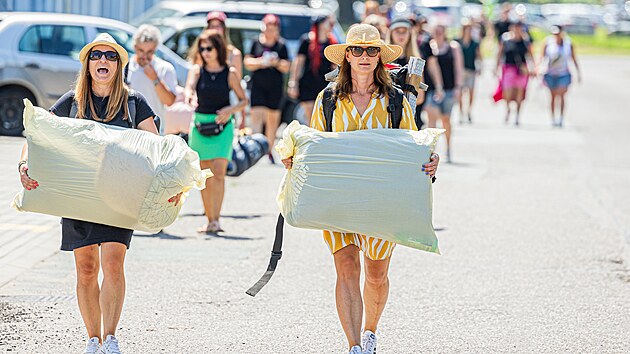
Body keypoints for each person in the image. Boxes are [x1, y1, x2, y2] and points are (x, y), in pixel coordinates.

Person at [17, 33, 182, 354]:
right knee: (87, 268)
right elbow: (37, 135)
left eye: (110, 56)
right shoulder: (72, 102)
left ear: (119, 64)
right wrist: (24, 164)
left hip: (119, 198)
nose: (102, 61)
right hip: (78, 199)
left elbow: (160, 151)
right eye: (96, 56)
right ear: (87, 64)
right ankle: (92, 339)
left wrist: (172, 187)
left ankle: (110, 338)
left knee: (114, 263)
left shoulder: (134, 103)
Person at [281, 24, 439, 354]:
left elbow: (413, 147)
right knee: (347, 268)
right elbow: (314, 146)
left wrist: (430, 160)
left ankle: (370, 331)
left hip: (381, 206)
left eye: (371, 51)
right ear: (347, 57)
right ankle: (354, 346)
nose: (364, 57)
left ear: (380, 56)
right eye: (357, 50)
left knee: (377, 275)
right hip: (338, 203)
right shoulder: (327, 100)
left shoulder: (396, 101)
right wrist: (294, 157)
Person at [185, 30, 248, 234]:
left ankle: (216, 220)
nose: (205, 52)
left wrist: (230, 110)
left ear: (218, 49)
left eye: (209, 48)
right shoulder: (197, 70)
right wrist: (190, 97)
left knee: (219, 173)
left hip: (223, 125)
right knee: (204, 175)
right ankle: (209, 218)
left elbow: (243, 100)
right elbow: (189, 89)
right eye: (202, 49)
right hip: (200, 125)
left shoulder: (230, 73)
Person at [244, 14, 290, 163]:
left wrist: (275, 62)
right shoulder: (255, 43)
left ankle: (268, 150)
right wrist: (261, 62)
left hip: (275, 87)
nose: (270, 32)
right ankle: (255, 149)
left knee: (272, 119)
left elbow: (287, 67)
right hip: (258, 85)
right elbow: (248, 62)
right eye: (268, 28)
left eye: (273, 29)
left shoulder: (281, 45)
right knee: (256, 116)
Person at [421, 24, 464, 162]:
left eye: (441, 31)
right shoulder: (428, 47)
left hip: (449, 89)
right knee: (431, 119)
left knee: (446, 120)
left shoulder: (453, 47)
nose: (439, 34)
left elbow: (458, 68)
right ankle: (431, 152)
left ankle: (448, 148)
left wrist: (458, 87)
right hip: (432, 90)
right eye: (436, 31)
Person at [127, 24, 177, 135]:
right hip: (129, 131)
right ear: (135, 47)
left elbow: (170, 101)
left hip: (155, 131)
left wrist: (155, 79)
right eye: (141, 50)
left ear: (155, 49)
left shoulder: (165, 69)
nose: (144, 56)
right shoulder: (125, 68)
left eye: (149, 52)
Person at [287, 15, 337, 126]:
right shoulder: (307, 40)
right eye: (329, 23)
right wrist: (293, 83)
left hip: (325, 84)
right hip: (308, 83)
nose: (331, 26)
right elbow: (298, 63)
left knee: (324, 116)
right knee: (310, 117)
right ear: (320, 24)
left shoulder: (331, 42)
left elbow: (334, 65)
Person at [539, 25, 581, 127]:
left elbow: (574, 58)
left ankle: (561, 118)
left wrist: (578, 72)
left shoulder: (568, 43)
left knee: (561, 95)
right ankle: (553, 118)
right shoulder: (548, 42)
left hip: (564, 73)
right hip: (550, 73)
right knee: (553, 97)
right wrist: (539, 69)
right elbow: (542, 57)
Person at [495, 21, 534, 126]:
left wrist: (532, 68)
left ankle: (517, 114)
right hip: (508, 68)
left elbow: (531, 55)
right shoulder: (506, 40)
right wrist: (496, 67)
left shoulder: (525, 41)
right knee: (507, 91)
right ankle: (508, 108)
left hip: (522, 70)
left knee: (519, 93)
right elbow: (500, 54)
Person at [456, 19, 482, 124]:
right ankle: (461, 113)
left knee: (471, 92)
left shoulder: (475, 43)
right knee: (461, 93)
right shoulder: (458, 42)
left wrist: (480, 66)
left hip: (471, 70)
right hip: (461, 71)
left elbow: (479, 56)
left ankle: (469, 111)